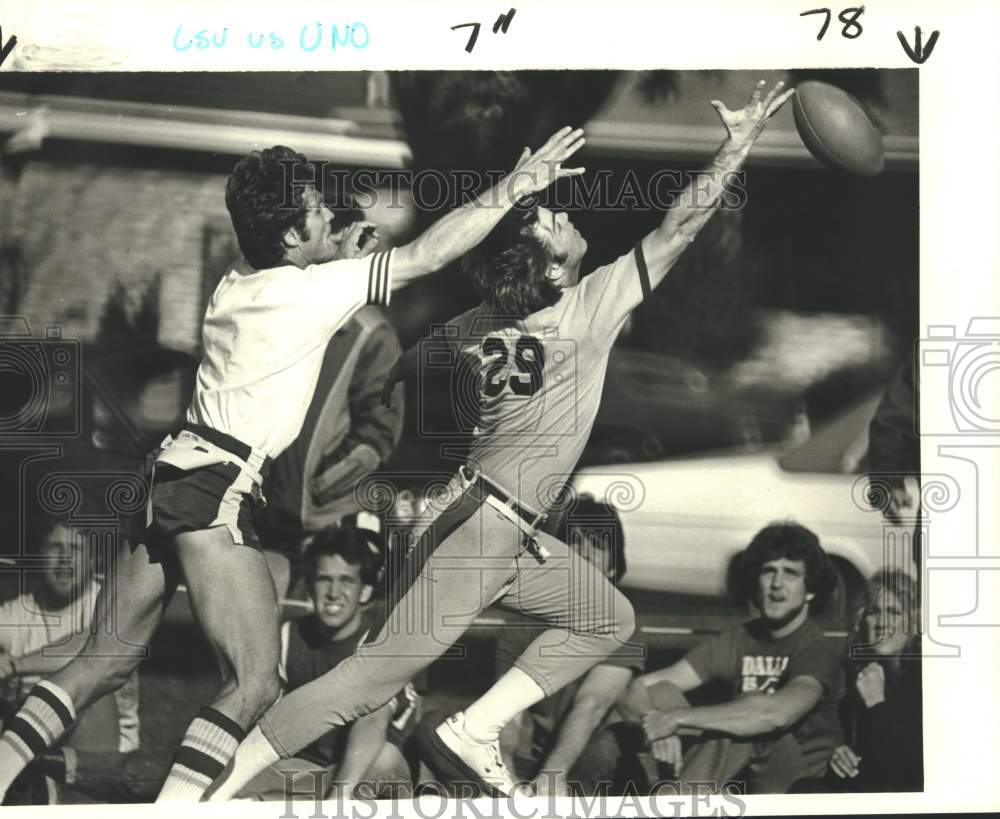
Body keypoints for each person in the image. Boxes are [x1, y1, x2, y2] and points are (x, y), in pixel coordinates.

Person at [206, 79, 793, 802]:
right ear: (552, 267)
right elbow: (682, 223)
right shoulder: (585, 310)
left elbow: (415, 355)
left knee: (608, 615)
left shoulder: (484, 321)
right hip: (481, 527)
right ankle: (215, 788)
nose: (563, 214)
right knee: (363, 681)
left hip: (486, 520)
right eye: (551, 220)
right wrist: (737, 146)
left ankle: (474, 726)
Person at [0, 127, 587, 804]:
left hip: (165, 476)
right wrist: (513, 188)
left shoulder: (237, 279)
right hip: (217, 486)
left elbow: (314, 261)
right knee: (254, 682)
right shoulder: (308, 293)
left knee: (102, 660)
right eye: (313, 208)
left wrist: (339, 244)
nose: (325, 213)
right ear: (288, 237)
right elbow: (428, 252)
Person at [631, 523, 844, 794]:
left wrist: (676, 719)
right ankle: (674, 797)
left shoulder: (816, 649)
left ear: (810, 589)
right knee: (662, 692)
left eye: (790, 573)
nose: (777, 584)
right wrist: (656, 718)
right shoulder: (739, 639)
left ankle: (671, 801)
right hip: (740, 775)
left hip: (800, 786)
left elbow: (776, 715)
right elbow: (644, 684)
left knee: (751, 716)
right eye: (769, 571)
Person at [237, 527, 418, 801]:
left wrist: (337, 802)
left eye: (346, 580)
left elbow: (372, 723)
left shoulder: (377, 643)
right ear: (310, 585)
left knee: (384, 759)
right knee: (224, 776)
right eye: (324, 579)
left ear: (366, 590)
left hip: (364, 769)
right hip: (307, 768)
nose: (333, 592)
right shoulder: (289, 636)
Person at [494, 498, 644, 797]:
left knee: (602, 750)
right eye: (575, 542)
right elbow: (506, 711)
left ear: (613, 568)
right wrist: (506, 776)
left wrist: (553, 775)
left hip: (585, 754)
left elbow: (591, 704)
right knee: (436, 729)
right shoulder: (523, 623)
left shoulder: (625, 625)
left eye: (598, 546)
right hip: (532, 751)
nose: (584, 554)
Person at [0, 513, 140, 802]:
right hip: (33, 741)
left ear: (93, 562)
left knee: (89, 684)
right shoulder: (13, 613)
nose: (65, 559)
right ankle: (31, 776)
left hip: (102, 755)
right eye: (55, 548)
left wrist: (14, 664)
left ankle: (30, 773)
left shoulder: (107, 604)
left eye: (76, 550)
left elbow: (93, 648)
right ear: (39, 554)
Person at [823, 568, 922, 792]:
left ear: (913, 624)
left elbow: (908, 769)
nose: (882, 622)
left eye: (894, 612)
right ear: (861, 620)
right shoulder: (852, 673)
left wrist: (877, 703)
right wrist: (838, 752)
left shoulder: (925, 678)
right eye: (874, 611)